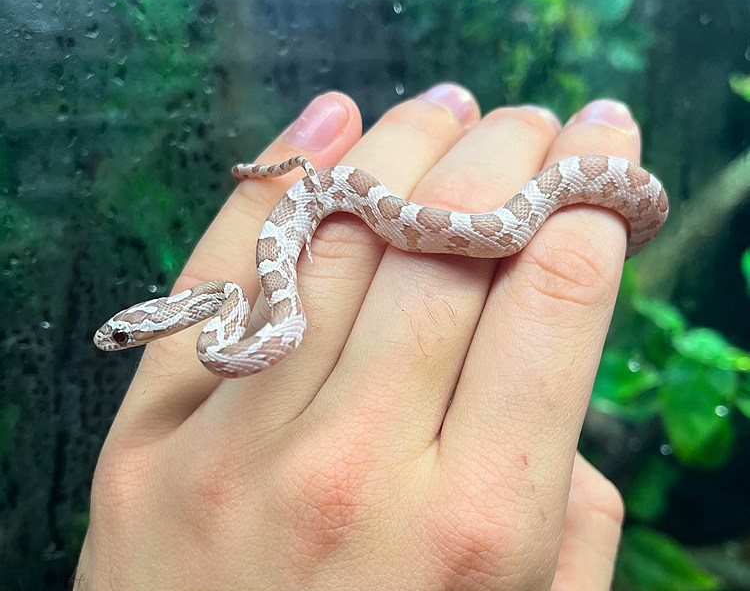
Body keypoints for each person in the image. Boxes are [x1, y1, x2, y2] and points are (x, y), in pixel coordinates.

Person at [76, 83, 636, 590]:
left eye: (125, 333)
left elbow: (266, 309)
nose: (118, 339)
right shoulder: (237, 322)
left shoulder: (234, 313)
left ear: (157, 318)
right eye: (126, 335)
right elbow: (273, 316)